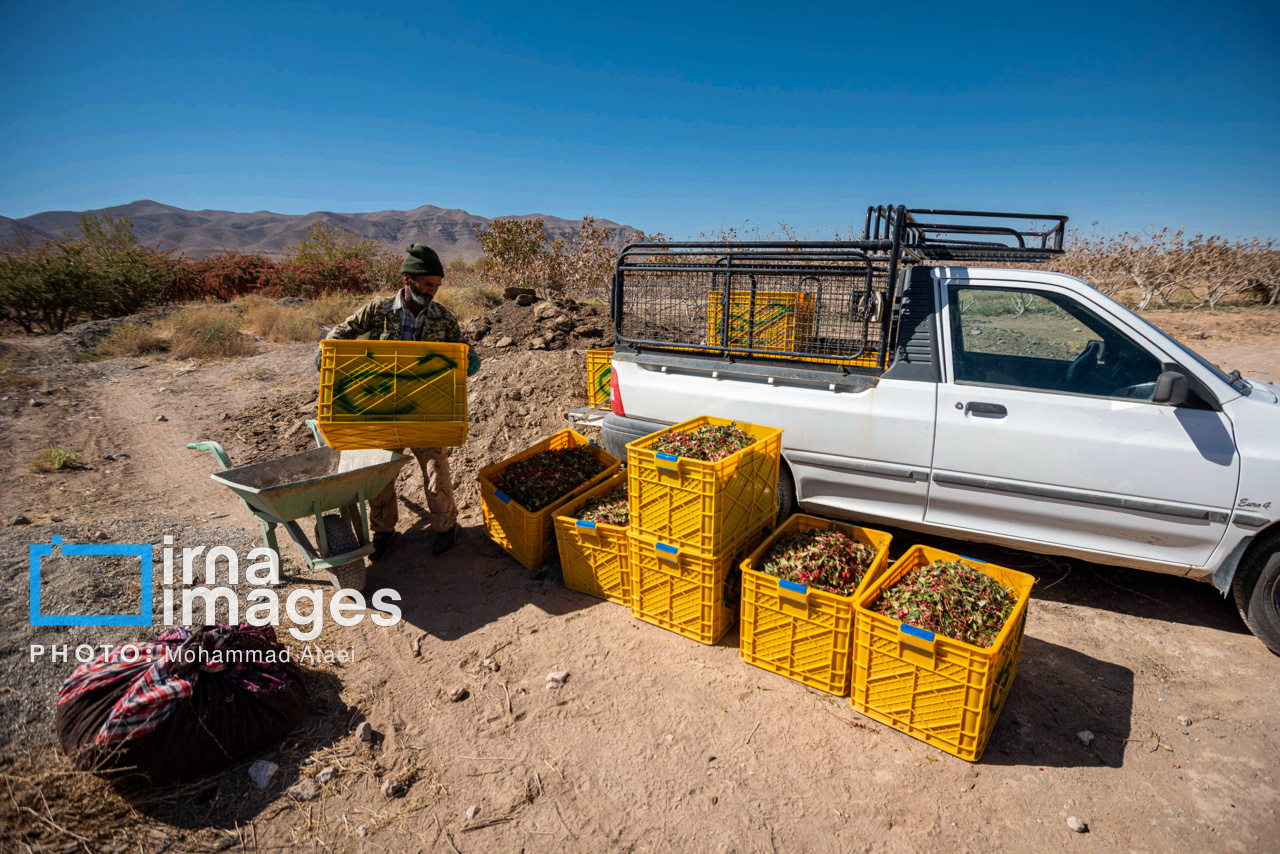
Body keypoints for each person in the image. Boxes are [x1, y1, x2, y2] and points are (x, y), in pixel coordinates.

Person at [318, 244, 480, 560]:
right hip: (381, 409)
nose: (433, 290)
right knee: (380, 474)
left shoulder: (443, 318)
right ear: (407, 279)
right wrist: (326, 355)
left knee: (435, 470)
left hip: (428, 409)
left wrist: (470, 360)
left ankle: (446, 527)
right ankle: (384, 532)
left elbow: (464, 349)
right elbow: (342, 333)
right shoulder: (378, 311)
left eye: (437, 285)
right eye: (427, 284)